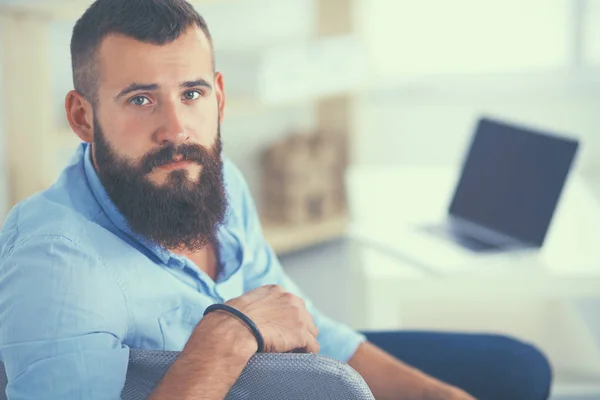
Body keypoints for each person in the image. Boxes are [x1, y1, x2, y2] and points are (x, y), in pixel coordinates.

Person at [0, 0, 552, 399]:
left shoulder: (217, 179)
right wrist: (224, 335)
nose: (176, 129)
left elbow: (298, 315)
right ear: (81, 116)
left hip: (281, 371)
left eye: (191, 94)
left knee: (517, 369)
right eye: (140, 100)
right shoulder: (58, 263)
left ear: (218, 95)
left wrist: (433, 397)